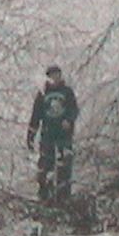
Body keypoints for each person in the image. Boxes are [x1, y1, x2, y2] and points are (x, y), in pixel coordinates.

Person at [27, 64, 79, 202]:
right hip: (48, 133)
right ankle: (45, 194)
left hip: (64, 135)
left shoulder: (67, 92)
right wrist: (31, 135)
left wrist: (69, 120)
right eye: (52, 75)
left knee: (65, 164)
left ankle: (64, 195)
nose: (55, 78)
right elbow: (36, 115)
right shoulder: (43, 94)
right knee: (45, 164)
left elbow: (74, 109)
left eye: (57, 75)